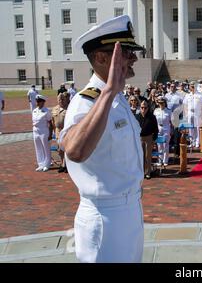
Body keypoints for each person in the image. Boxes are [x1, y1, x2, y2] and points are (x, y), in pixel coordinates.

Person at [59, 15, 146, 263]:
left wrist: (111, 93)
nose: (134, 59)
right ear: (100, 58)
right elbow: (74, 151)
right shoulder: (86, 101)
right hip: (104, 216)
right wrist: (107, 93)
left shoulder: (117, 98)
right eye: (126, 52)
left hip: (130, 209)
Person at [135, 100, 159, 179]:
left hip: (148, 138)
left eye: (145, 107)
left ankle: (148, 172)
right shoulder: (137, 117)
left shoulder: (152, 117)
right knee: (141, 156)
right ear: (140, 107)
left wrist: (153, 139)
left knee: (148, 156)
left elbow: (156, 129)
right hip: (140, 138)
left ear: (148, 108)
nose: (143, 109)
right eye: (142, 107)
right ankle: (142, 172)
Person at [32, 95, 53, 172]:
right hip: (35, 130)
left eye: (38, 101)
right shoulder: (34, 110)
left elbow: (50, 123)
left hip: (43, 130)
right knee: (38, 148)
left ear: (43, 102)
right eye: (37, 101)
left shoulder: (46, 111)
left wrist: (50, 134)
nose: (37, 102)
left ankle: (47, 164)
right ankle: (40, 164)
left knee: (46, 148)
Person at [52, 92, 70, 173]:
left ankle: (66, 165)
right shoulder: (55, 109)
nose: (61, 101)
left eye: (62, 99)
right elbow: (53, 120)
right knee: (60, 150)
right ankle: (63, 163)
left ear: (66, 100)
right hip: (58, 131)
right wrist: (53, 130)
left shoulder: (69, 108)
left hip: (66, 131)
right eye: (59, 99)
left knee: (66, 149)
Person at [183, 81, 202, 148]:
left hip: (197, 114)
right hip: (190, 114)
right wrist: (186, 114)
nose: (192, 87)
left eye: (193, 86)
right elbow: (185, 105)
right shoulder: (187, 95)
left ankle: (197, 142)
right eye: (191, 86)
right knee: (191, 128)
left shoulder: (200, 95)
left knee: (197, 128)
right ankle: (192, 142)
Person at [153, 96, 172, 166]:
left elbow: (171, 121)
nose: (161, 104)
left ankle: (165, 160)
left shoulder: (169, 111)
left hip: (166, 127)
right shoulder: (156, 111)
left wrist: (171, 130)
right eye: (160, 103)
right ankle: (160, 160)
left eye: (162, 103)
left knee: (166, 144)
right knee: (159, 145)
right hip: (158, 128)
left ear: (165, 103)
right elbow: (154, 121)